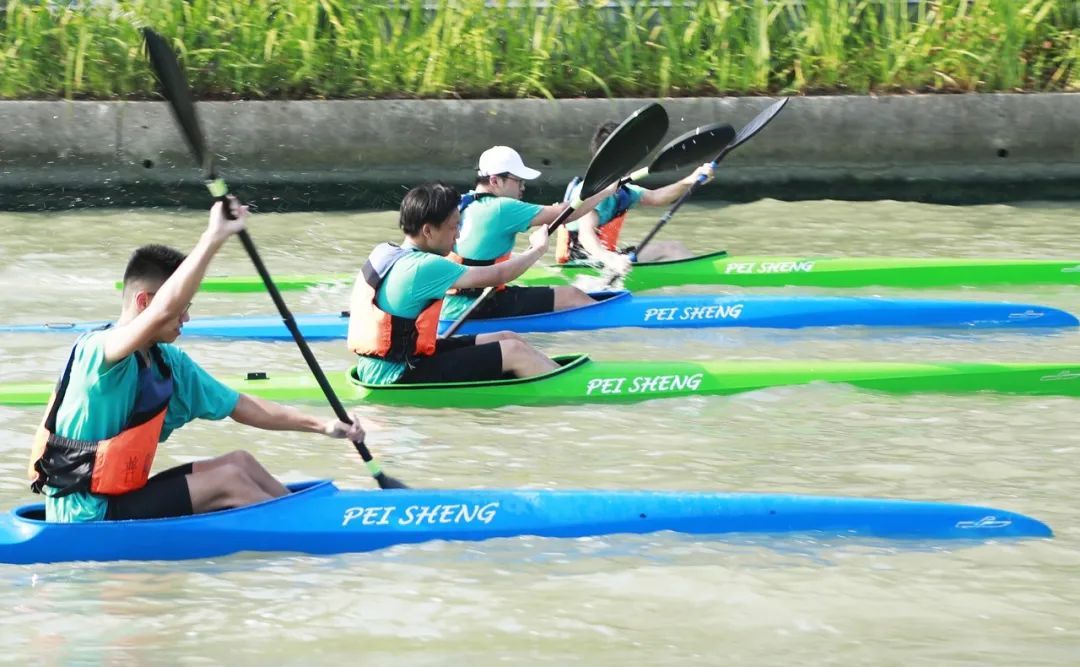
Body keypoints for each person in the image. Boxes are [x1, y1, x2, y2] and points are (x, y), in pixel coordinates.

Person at [27, 199, 366, 523]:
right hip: (85, 517)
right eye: (183, 307)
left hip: (120, 499)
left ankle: (311, 523)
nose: (186, 317)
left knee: (240, 462)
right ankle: (307, 539)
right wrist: (215, 235)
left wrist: (323, 426)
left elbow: (240, 405)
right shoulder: (98, 351)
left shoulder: (168, 363)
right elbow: (165, 309)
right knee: (229, 480)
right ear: (144, 302)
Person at [348, 181, 560, 386]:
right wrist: (538, 249)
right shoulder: (424, 266)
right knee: (514, 352)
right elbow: (498, 275)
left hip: (382, 366)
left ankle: (555, 373)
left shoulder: (383, 251)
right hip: (397, 375)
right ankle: (570, 384)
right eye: (453, 227)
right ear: (428, 231)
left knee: (507, 337)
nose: (458, 234)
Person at [439, 145, 619, 322]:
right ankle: (618, 321)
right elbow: (565, 213)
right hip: (475, 307)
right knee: (571, 296)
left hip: (448, 305)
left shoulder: (461, 201)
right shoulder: (501, 208)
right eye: (518, 181)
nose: (523, 187)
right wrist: (605, 191)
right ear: (494, 181)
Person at [557, 121, 717, 273]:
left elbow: (656, 197)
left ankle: (707, 277)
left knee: (672, 248)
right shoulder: (588, 192)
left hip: (606, 261)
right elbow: (586, 235)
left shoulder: (623, 190)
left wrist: (690, 180)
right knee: (670, 250)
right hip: (581, 268)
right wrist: (611, 260)